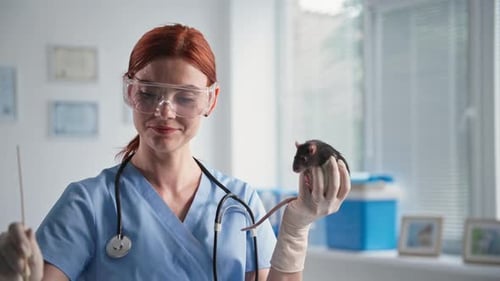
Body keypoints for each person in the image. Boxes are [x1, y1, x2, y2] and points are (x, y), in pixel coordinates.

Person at [0, 23, 351, 281]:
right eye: (149, 92)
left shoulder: (240, 203)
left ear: (210, 101)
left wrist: (295, 228)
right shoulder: (88, 204)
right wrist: (14, 272)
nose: (164, 111)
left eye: (185, 96)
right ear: (130, 92)